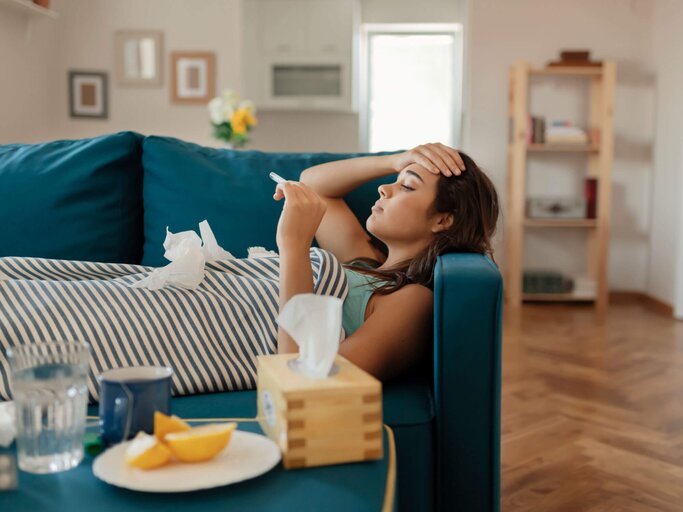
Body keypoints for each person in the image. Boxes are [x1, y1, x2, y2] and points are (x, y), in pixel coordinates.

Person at [272, 143, 500, 381]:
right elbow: (312, 184)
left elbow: (306, 380)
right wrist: (397, 160)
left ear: (443, 220)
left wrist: (294, 247)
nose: (383, 188)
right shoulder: (363, 260)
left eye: (407, 186)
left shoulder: (410, 299)